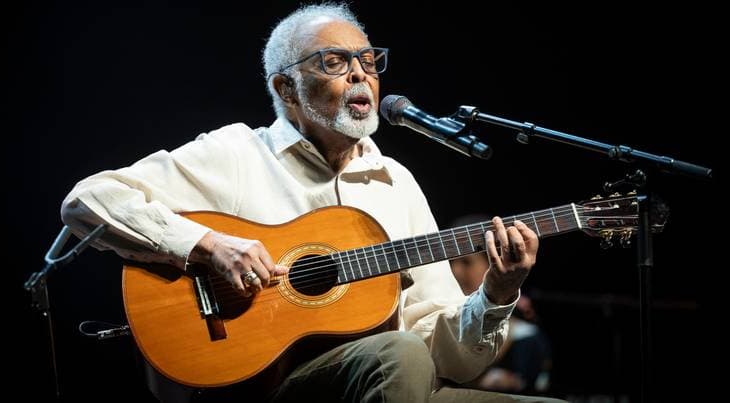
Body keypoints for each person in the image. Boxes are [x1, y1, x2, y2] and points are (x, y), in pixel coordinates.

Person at [61, 4, 564, 402]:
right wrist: (207, 245)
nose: (360, 75)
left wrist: (497, 294)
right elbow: (88, 200)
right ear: (287, 88)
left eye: (368, 61)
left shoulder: (396, 183)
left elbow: (447, 358)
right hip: (263, 385)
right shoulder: (237, 153)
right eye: (334, 62)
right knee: (400, 353)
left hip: (388, 386)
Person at [449, 214, 553, 395]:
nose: (455, 270)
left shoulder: (526, 338)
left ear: (494, 263)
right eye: (451, 262)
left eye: (466, 262)